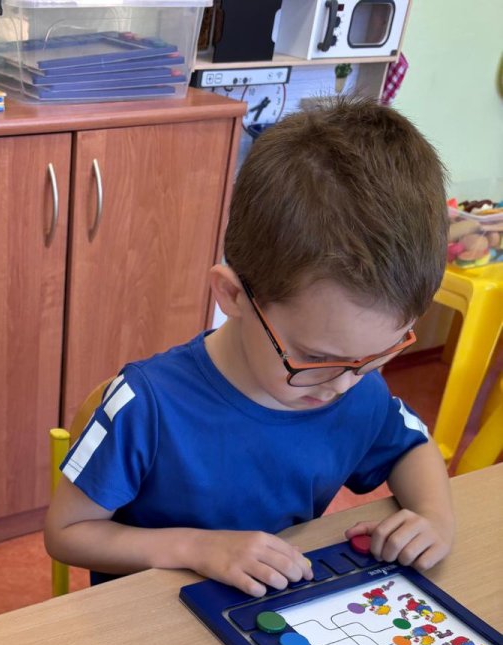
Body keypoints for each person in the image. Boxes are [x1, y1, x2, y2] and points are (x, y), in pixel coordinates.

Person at [45, 97, 455, 597]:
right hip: (151, 619)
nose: (342, 385)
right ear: (233, 295)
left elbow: (412, 447)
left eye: (378, 356)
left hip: (267, 610)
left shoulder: (357, 388)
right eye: (315, 358)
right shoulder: (145, 404)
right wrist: (197, 548)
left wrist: (434, 517)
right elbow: (66, 532)